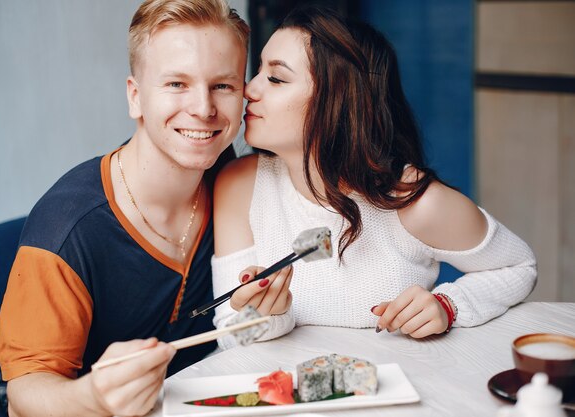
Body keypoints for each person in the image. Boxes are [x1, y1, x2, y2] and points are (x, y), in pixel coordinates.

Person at [212, 6, 537, 348]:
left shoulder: (414, 201)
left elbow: (519, 266)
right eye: (259, 70)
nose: (249, 90)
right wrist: (271, 315)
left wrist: (450, 305)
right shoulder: (239, 185)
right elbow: (232, 333)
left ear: (337, 99)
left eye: (276, 78)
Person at [0, 1, 249, 416]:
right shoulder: (68, 228)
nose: (203, 109)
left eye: (223, 85)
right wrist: (92, 397)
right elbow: (25, 394)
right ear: (135, 97)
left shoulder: (233, 181)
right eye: (176, 85)